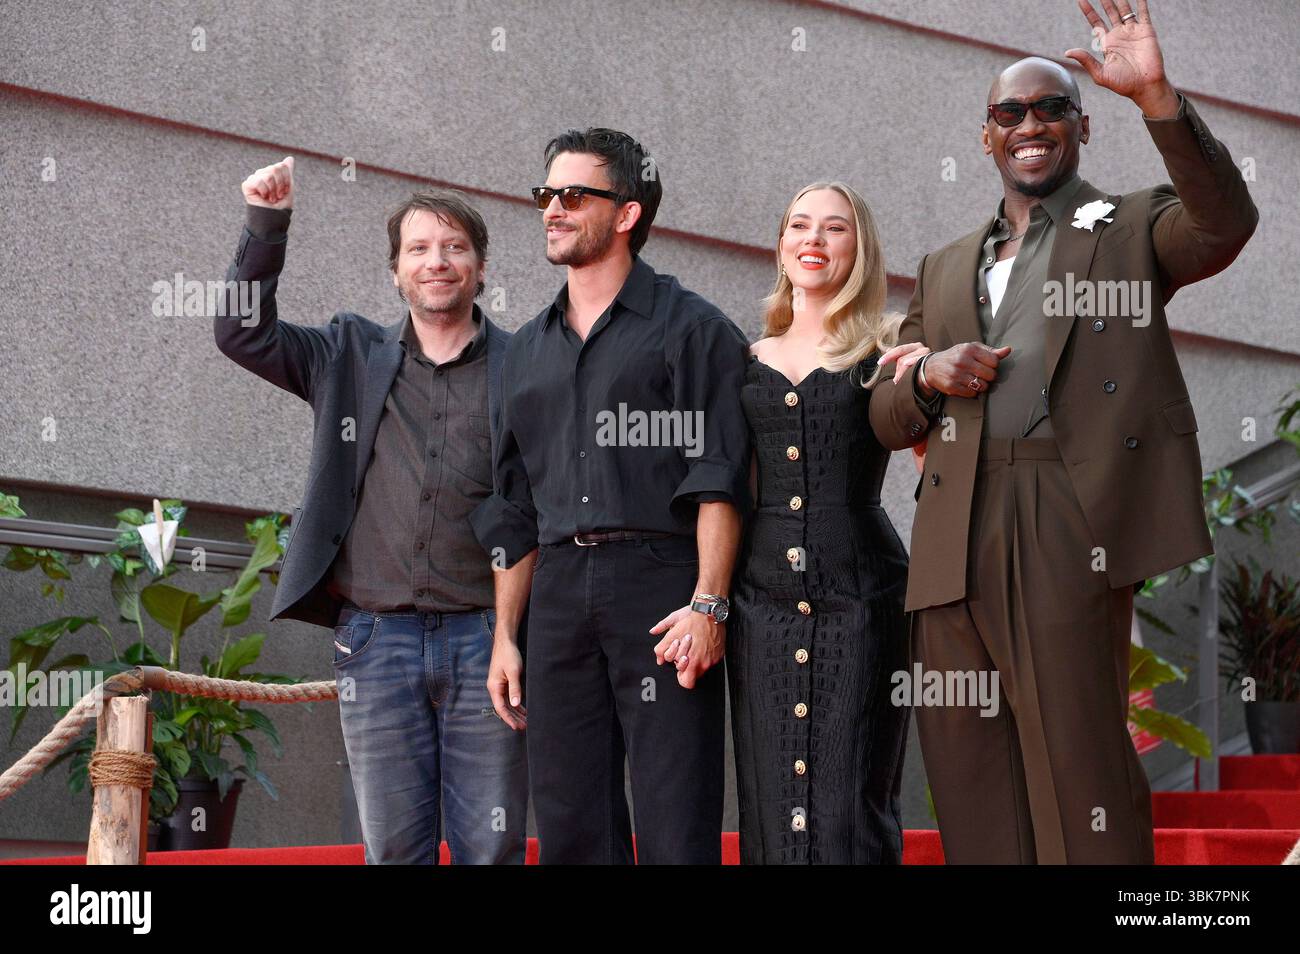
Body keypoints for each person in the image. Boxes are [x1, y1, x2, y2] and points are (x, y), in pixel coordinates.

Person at [869, 0, 1257, 864]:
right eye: (1011, 113)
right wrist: (927, 375)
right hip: (949, 531)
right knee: (969, 774)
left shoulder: (1123, 224)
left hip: (1061, 513)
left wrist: (1156, 96)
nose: (1031, 125)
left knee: (1079, 767)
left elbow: (1223, 223)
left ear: (1082, 128)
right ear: (987, 138)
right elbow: (887, 415)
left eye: (1052, 109)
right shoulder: (944, 264)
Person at [214, 157, 528, 864]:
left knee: (492, 847)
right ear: (396, 271)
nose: (436, 261)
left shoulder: (524, 365)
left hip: (487, 641)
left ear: (479, 266)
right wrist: (266, 225)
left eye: (454, 247)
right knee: (393, 851)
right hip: (375, 641)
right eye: (418, 248)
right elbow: (241, 334)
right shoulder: (346, 353)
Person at [470, 128, 750, 864]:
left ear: (625, 213)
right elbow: (512, 504)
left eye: (572, 195)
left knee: (673, 814)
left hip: (661, 587)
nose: (551, 210)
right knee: (568, 822)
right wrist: (507, 635)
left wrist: (709, 603)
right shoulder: (525, 349)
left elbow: (720, 476)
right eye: (545, 195)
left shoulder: (695, 330)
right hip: (556, 593)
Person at [653, 182, 914, 863]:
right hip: (761, 605)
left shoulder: (889, 350)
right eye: (800, 226)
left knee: (850, 796)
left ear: (860, 248)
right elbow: (721, 485)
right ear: (780, 244)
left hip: (864, 597)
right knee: (772, 799)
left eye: (834, 229)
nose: (814, 240)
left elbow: (933, 446)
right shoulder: (744, 359)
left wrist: (923, 383)